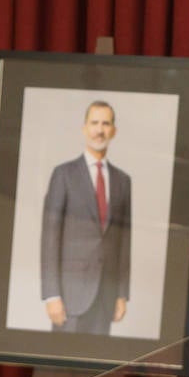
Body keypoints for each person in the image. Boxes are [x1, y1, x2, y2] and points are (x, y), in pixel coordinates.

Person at [40, 100, 131, 335]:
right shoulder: (63, 175)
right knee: (61, 368)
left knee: (100, 370)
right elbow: (50, 237)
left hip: (105, 298)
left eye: (106, 123)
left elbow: (124, 243)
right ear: (84, 128)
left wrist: (121, 294)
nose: (100, 130)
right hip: (70, 299)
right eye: (94, 123)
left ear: (114, 130)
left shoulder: (123, 181)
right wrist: (52, 295)